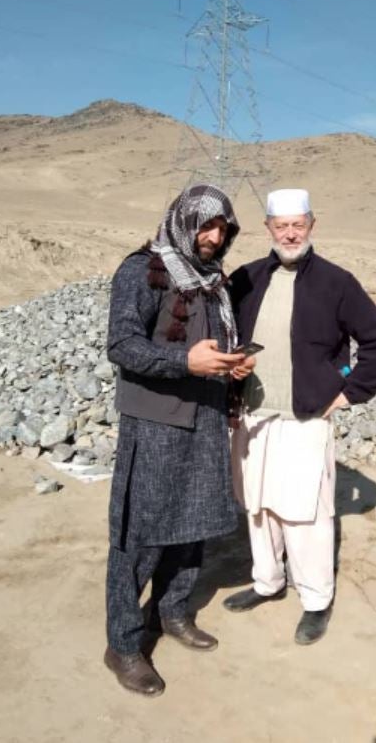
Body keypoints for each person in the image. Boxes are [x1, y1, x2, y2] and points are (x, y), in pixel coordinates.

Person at [224, 188, 376, 645]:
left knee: (305, 514)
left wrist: (347, 393)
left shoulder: (337, 282)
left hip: (306, 418)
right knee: (258, 507)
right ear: (268, 229)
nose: (290, 233)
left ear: (312, 225)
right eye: (281, 226)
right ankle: (267, 582)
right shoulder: (246, 278)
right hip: (253, 415)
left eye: (298, 224)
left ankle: (316, 599)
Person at [103, 183, 253, 696]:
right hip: (157, 421)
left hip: (206, 415)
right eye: (206, 226)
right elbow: (122, 345)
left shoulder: (213, 280)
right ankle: (123, 644)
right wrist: (184, 362)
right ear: (183, 222)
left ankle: (172, 612)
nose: (213, 237)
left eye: (222, 229)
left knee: (194, 526)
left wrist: (231, 365)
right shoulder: (142, 270)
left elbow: (209, 345)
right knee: (139, 535)